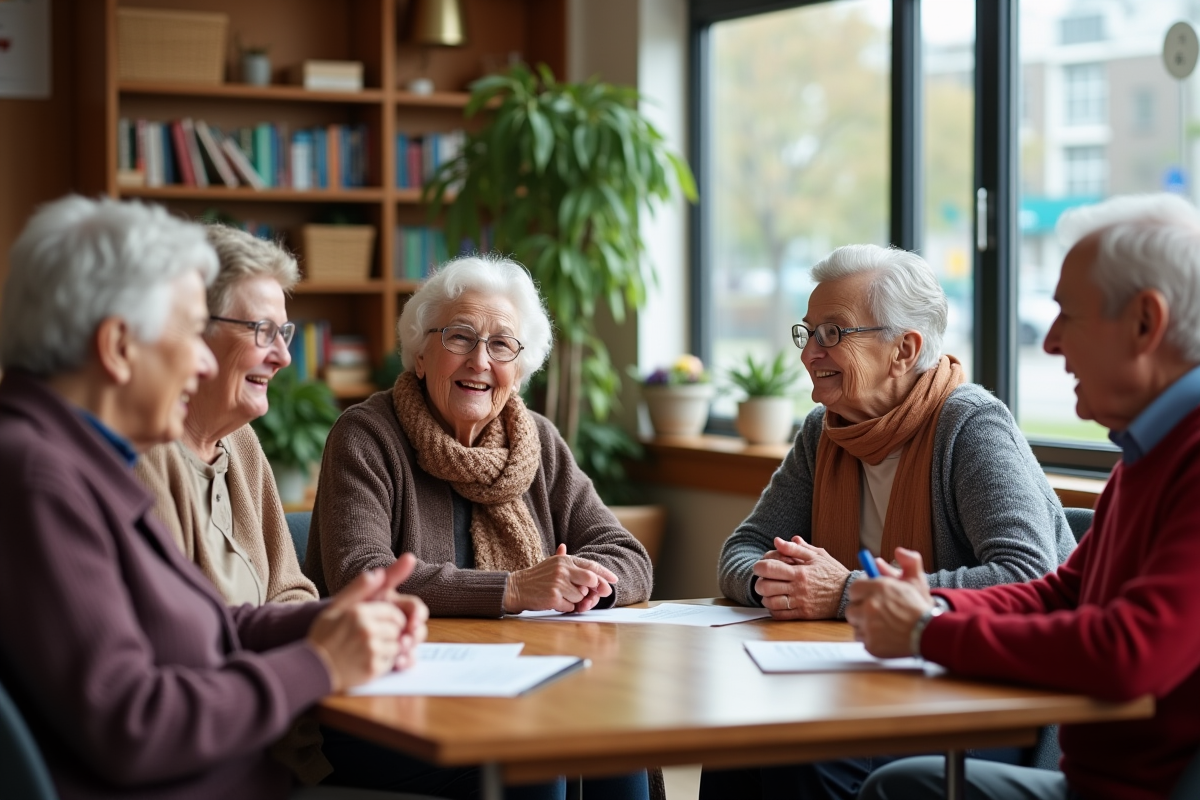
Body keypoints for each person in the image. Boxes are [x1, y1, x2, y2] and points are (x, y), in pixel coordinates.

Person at [0, 196, 428, 800]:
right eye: (188, 332)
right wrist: (320, 663)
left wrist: (326, 620)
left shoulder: (76, 461)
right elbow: (132, 722)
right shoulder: (37, 477)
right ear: (119, 346)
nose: (202, 361)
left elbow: (202, 627)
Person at [850, 194, 1200, 800]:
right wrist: (927, 602)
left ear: (1146, 322)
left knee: (898, 789)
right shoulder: (1148, 450)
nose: (1050, 342)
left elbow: (1128, 652)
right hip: (1094, 777)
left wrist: (925, 633)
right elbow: (1064, 593)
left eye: (1070, 315)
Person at [703, 244, 1074, 800]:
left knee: (804, 753)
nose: (810, 354)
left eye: (833, 333)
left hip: (990, 698)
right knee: (737, 744)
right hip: (867, 681)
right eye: (808, 333)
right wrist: (774, 581)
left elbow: (1027, 579)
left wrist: (847, 592)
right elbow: (743, 548)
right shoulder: (824, 431)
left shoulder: (969, 426)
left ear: (904, 349)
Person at [304, 253, 652, 798]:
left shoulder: (536, 442)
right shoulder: (365, 436)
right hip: (389, 702)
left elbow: (625, 553)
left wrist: (586, 585)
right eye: (460, 337)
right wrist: (515, 589)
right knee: (534, 762)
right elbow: (362, 577)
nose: (480, 361)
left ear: (520, 366)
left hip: (524, 683)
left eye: (501, 345)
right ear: (420, 355)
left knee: (615, 747)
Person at [136, 225, 316, 607]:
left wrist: (331, 627)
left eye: (283, 332)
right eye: (263, 331)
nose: (284, 357)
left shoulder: (241, 440)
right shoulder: (144, 451)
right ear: (194, 328)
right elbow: (183, 629)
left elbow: (290, 590)